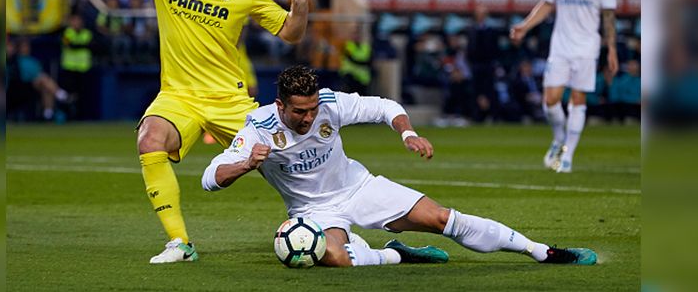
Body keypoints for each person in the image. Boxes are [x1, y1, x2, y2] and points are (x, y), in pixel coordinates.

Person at [68, 0, 319, 263]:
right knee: (150, 138)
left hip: (230, 99)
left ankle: (332, 224)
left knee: (295, 160)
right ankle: (180, 243)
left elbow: (291, 33)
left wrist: (300, 2)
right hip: (178, 96)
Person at [202, 65, 597, 267]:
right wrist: (245, 165)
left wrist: (407, 133)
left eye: (312, 111)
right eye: (299, 112)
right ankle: (395, 255)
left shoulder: (331, 104)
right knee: (335, 259)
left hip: (359, 188)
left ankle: (540, 251)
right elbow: (209, 178)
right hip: (312, 212)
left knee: (443, 218)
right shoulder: (258, 128)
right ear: (280, 106)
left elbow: (384, 107)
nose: (308, 119)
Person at [510, 0, 618, 173]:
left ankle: (567, 156)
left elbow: (609, 16)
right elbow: (547, 4)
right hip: (560, 46)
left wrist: (611, 48)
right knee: (550, 101)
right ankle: (559, 139)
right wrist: (525, 26)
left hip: (587, 47)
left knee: (578, 99)